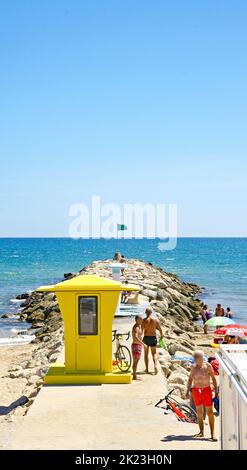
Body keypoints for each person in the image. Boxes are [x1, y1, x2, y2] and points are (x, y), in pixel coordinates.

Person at [186, 350, 218, 441]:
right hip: (196, 390)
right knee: (199, 413)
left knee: (210, 412)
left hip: (206, 389)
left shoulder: (208, 366)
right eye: (195, 358)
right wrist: (187, 391)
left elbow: (214, 379)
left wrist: (216, 391)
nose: (196, 360)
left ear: (202, 358)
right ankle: (201, 431)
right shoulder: (193, 367)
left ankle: (212, 434)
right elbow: (190, 380)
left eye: (198, 358)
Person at [142, 307, 163, 375]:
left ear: (145, 312)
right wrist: (161, 336)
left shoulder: (144, 320)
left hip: (146, 338)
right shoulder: (156, 321)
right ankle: (155, 366)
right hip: (153, 338)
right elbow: (160, 329)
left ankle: (147, 369)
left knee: (146, 354)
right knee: (154, 353)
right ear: (151, 313)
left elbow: (141, 331)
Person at [131, 315, 145, 380]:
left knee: (136, 361)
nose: (141, 320)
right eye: (140, 319)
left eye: (142, 319)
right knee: (135, 361)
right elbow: (136, 336)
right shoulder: (136, 327)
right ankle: (134, 376)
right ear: (136, 320)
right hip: (136, 345)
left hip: (138, 345)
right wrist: (143, 343)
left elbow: (140, 335)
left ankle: (134, 375)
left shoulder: (139, 326)